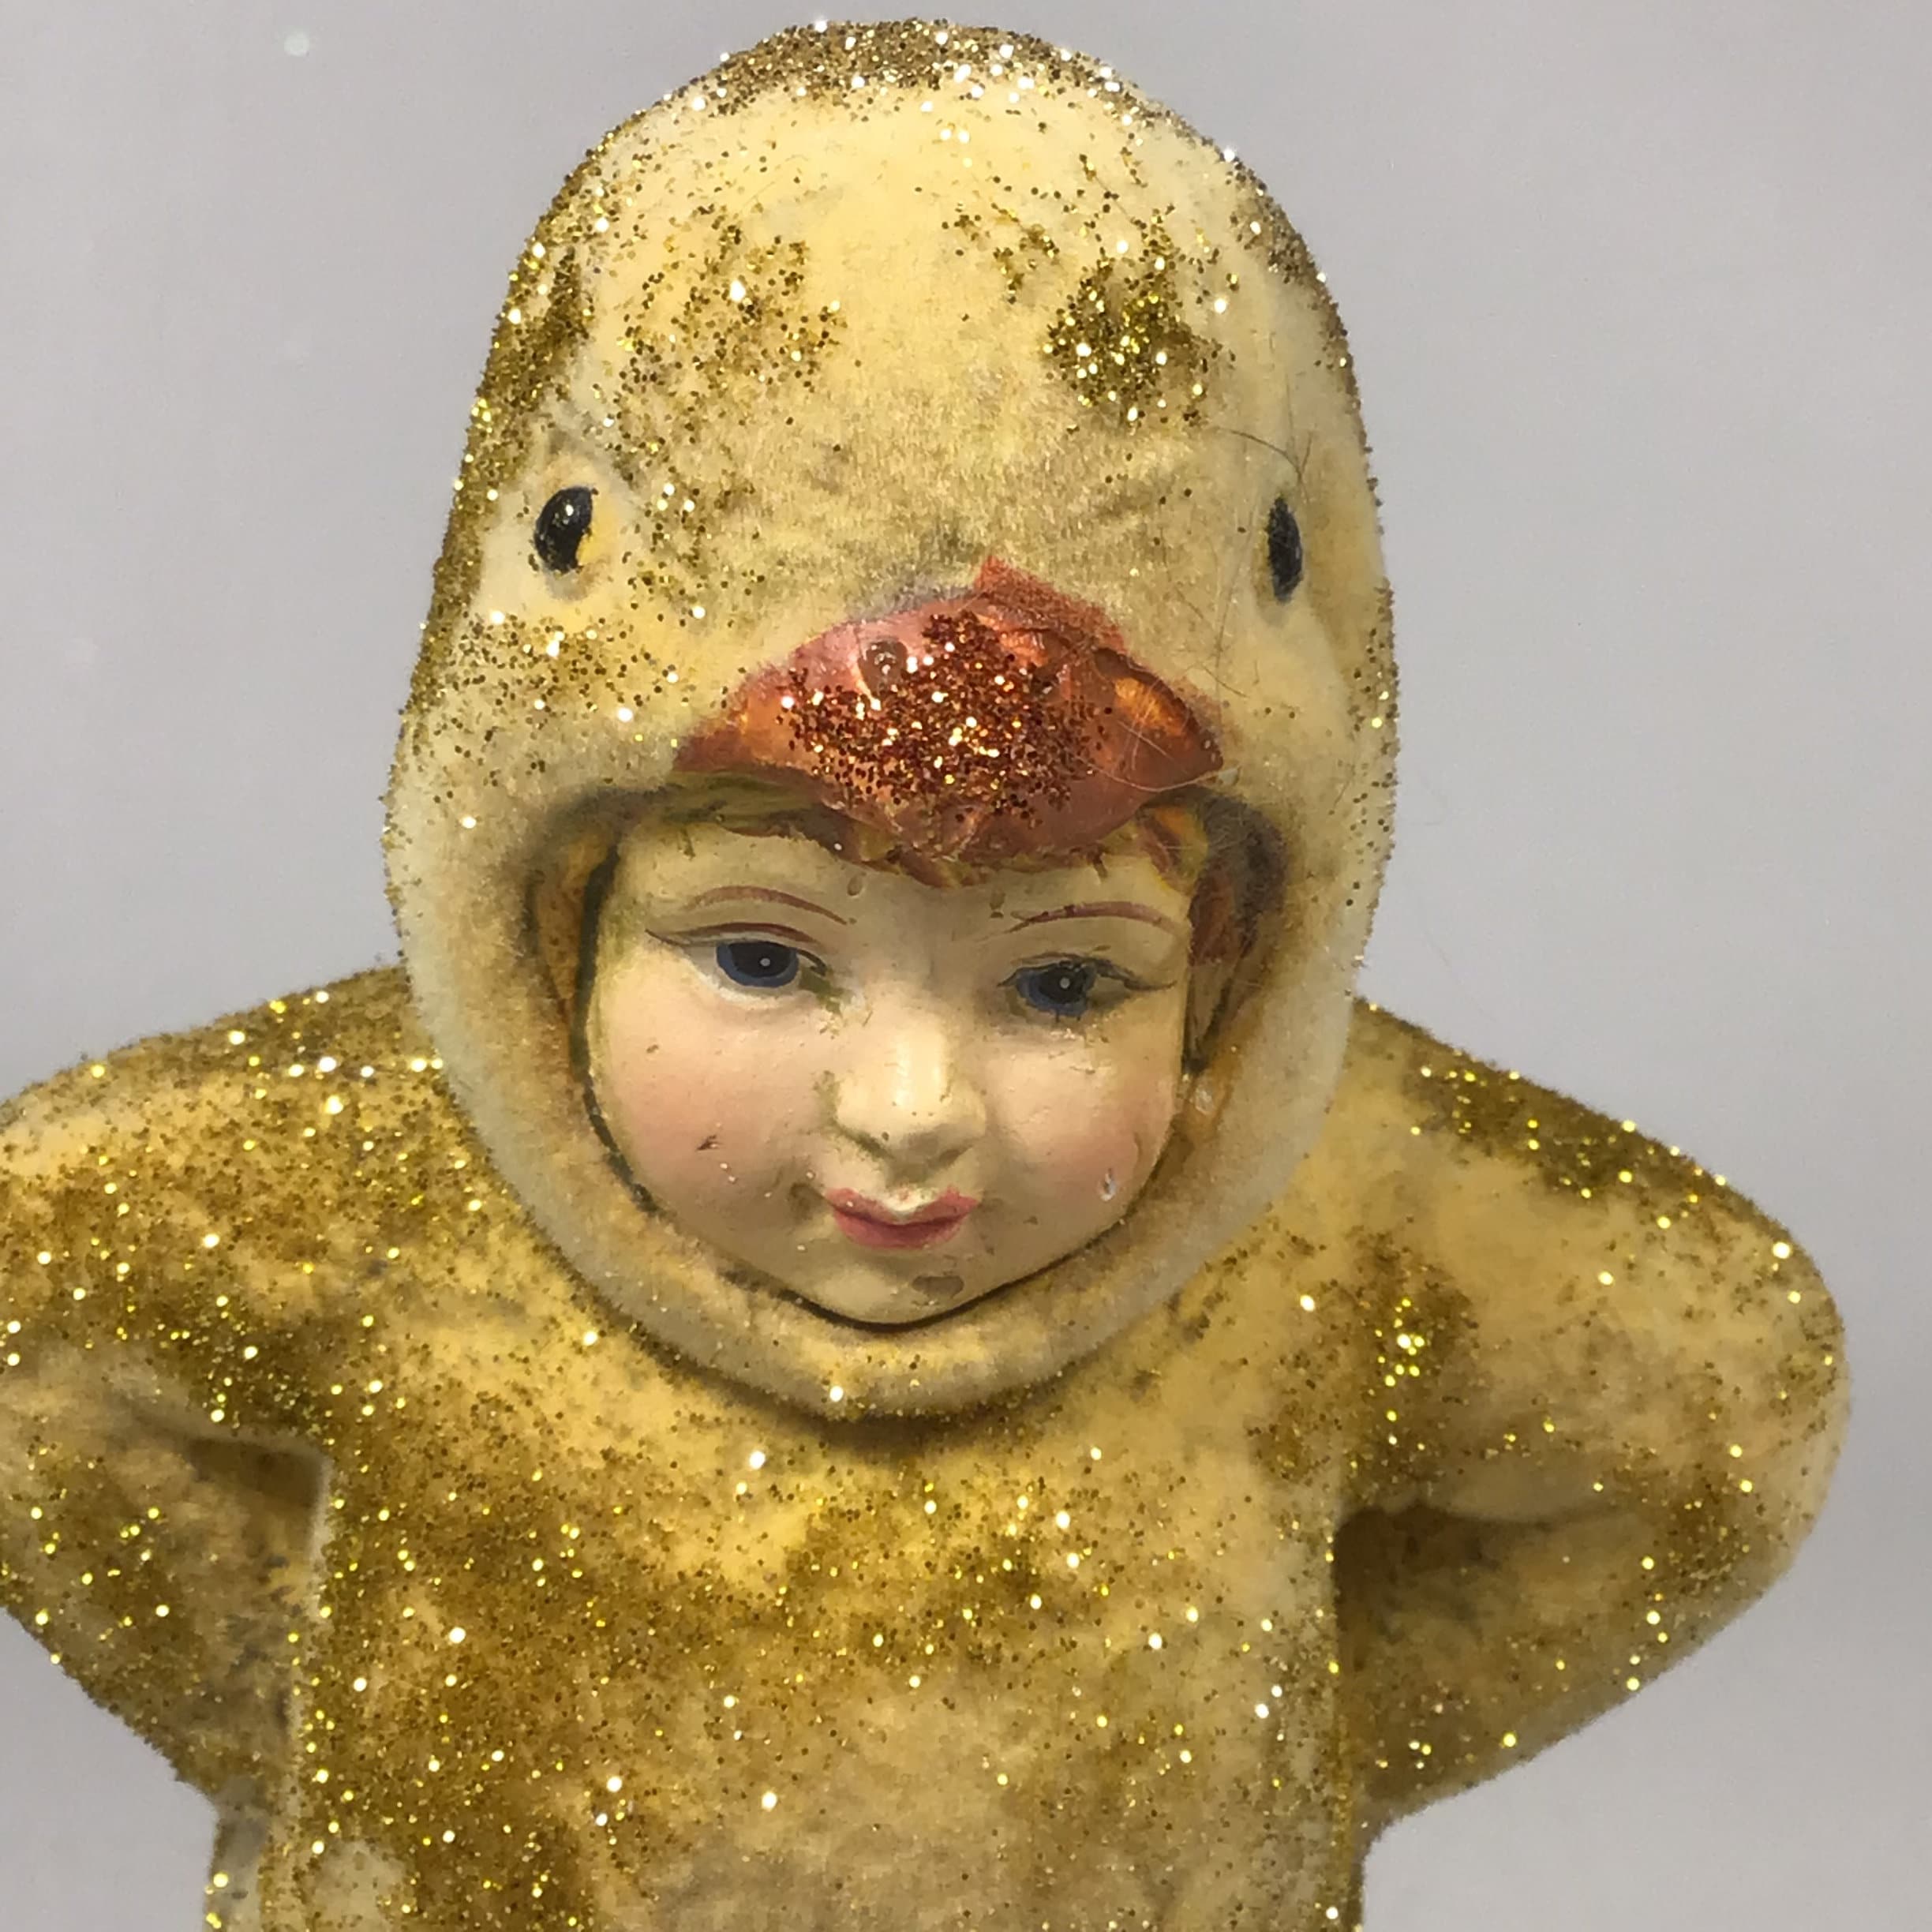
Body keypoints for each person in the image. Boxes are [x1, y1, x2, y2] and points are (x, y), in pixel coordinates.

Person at [0, 21, 1845, 1930]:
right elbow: (31, 1323)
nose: (909, 1114)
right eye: (759, 957)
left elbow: (1722, 1412)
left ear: (1239, 971)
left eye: (1064, 990)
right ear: (549, 916)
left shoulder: (1352, 1229)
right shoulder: (363, 1192)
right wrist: (298, 1733)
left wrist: (1314, 1749)